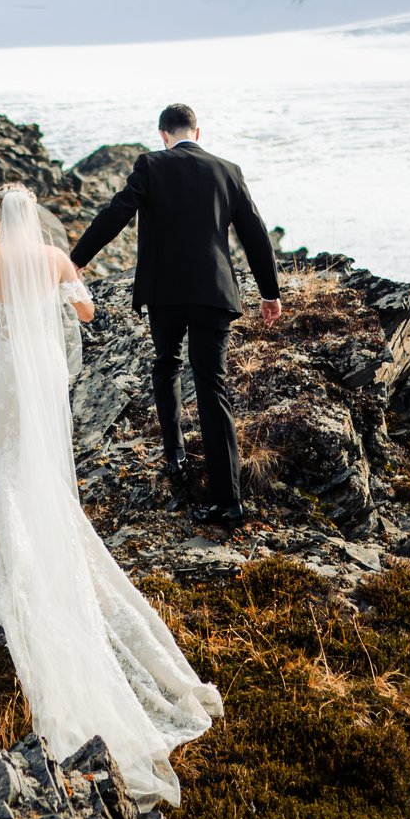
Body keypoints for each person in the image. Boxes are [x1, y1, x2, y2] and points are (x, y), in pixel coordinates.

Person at [0, 184, 222, 806]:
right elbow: (90, 313)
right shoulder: (52, 257)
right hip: (43, 372)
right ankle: (29, 540)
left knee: (7, 464)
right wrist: (49, 299)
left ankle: (7, 552)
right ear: (33, 217)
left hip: (4, 373)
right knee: (41, 466)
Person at [69, 103, 280, 525]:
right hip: (213, 292)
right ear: (196, 132)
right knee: (212, 385)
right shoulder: (228, 170)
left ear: (163, 133)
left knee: (166, 365)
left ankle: (176, 454)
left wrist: (77, 259)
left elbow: (117, 212)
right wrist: (269, 292)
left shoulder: (151, 164)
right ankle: (229, 500)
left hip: (164, 291)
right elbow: (255, 233)